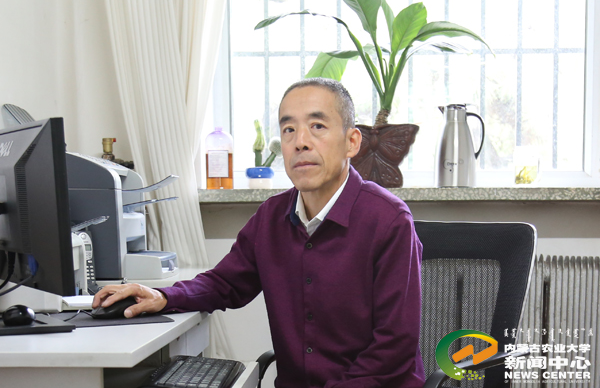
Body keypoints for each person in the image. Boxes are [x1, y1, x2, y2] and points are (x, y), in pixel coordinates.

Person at [93, 78, 426, 388]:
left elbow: (393, 347)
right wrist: (164, 297)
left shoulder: (389, 221)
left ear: (351, 142)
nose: (300, 142)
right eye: (289, 130)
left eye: (317, 126)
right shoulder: (271, 217)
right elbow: (224, 283)